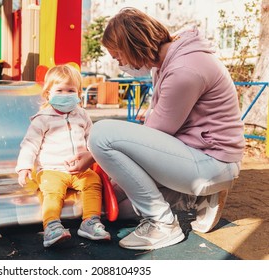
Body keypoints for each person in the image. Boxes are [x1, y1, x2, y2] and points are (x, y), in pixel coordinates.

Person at [64, 7, 245, 251]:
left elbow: (157, 133)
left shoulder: (184, 70)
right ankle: (195, 197)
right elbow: (154, 131)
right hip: (196, 155)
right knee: (114, 207)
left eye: (119, 57)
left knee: (101, 134)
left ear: (132, 46)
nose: (120, 64)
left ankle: (162, 224)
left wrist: (93, 154)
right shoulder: (169, 61)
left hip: (211, 162)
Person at [15, 64, 111, 248]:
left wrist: (94, 157)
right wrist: (25, 167)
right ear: (48, 94)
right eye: (60, 90)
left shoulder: (82, 115)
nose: (65, 95)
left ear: (78, 94)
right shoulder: (42, 118)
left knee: (94, 181)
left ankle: (90, 222)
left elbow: (92, 139)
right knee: (52, 190)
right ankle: (51, 225)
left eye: (70, 90)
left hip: (80, 170)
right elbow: (30, 144)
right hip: (51, 170)